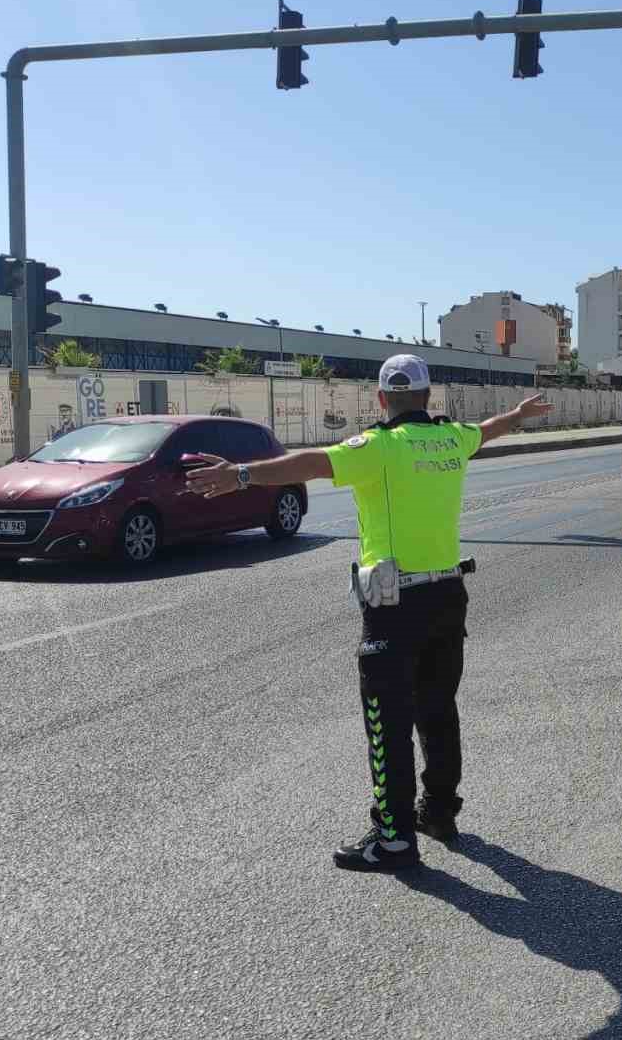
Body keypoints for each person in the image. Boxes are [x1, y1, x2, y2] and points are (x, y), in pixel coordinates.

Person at [185, 354, 551, 872]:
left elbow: (312, 462)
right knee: (438, 709)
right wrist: (516, 416)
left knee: (387, 720)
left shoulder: (377, 448)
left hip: (396, 603)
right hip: (449, 595)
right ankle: (440, 812)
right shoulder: (452, 439)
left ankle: (395, 837)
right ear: (428, 398)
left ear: (381, 400)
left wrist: (240, 474)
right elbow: (486, 432)